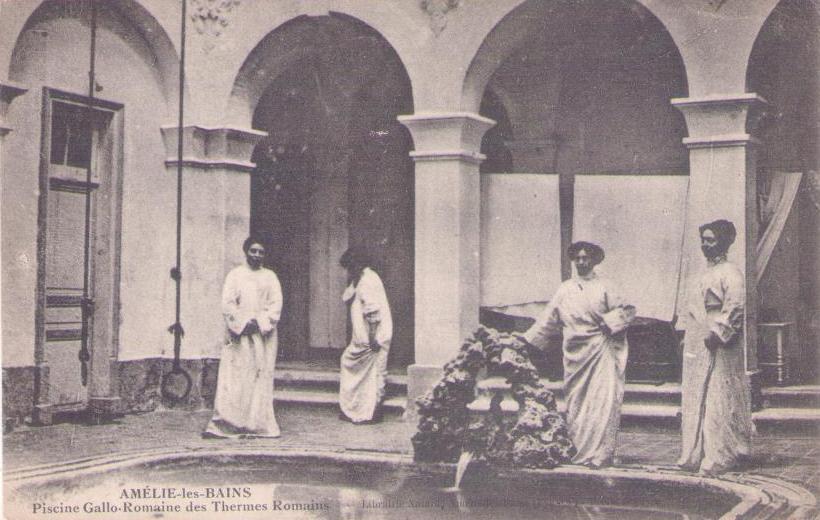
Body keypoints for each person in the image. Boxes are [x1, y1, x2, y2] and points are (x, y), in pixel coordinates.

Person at [522, 241, 636, 468]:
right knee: (577, 402)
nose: (582, 262)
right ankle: (579, 448)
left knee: (603, 401)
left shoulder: (606, 286)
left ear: (594, 260)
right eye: (578, 258)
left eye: (586, 258)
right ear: (573, 261)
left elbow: (627, 309)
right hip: (576, 355)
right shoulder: (564, 289)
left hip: (601, 350)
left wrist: (609, 323)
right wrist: (527, 340)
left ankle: (602, 452)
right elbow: (548, 318)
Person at [678, 219, 752, 475]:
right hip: (698, 337)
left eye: (711, 240)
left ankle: (720, 454)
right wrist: (688, 333)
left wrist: (718, 333)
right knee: (696, 393)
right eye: (704, 240)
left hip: (719, 341)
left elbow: (735, 306)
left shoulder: (731, 273)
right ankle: (695, 453)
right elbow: (691, 305)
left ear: (723, 242)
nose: (706, 245)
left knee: (718, 394)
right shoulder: (701, 273)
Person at [204, 237, 282, 438]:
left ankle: (256, 424)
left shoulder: (270, 277)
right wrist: (241, 324)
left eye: (261, 252)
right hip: (239, 337)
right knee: (236, 379)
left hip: (262, 337)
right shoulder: (235, 275)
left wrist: (260, 322)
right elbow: (228, 303)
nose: (256, 255)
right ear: (246, 251)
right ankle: (229, 422)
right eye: (253, 251)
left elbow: (275, 305)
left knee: (259, 377)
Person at [338, 247, 393, 424]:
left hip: (373, 336)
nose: (349, 271)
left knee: (376, 372)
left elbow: (373, 311)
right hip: (365, 337)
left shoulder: (368, 280)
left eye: (351, 267)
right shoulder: (360, 279)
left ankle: (371, 411)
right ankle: (356, 407)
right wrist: (354, 281)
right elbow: (346, 297)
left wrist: (373, 338)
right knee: (357, 366)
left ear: (359, 264)